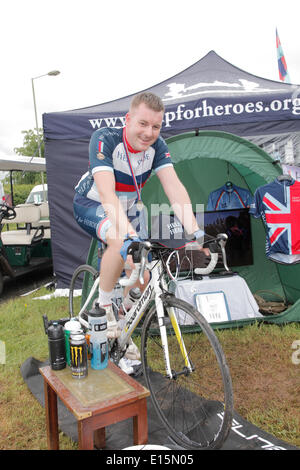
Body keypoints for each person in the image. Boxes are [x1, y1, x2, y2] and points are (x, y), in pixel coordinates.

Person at [73, 92, 208, 360]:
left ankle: (121, 329)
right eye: (143, 124)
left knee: (143, 278)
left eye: (156, 126)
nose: (149, 133)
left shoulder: (158, 147)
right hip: (93, 203)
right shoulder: (105, 139)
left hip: (131, 209)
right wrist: (129, 236)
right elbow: (107, 194)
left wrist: (198, 233)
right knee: (119, 241)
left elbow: (174, 189)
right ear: (128, 119)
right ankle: (104, 309)